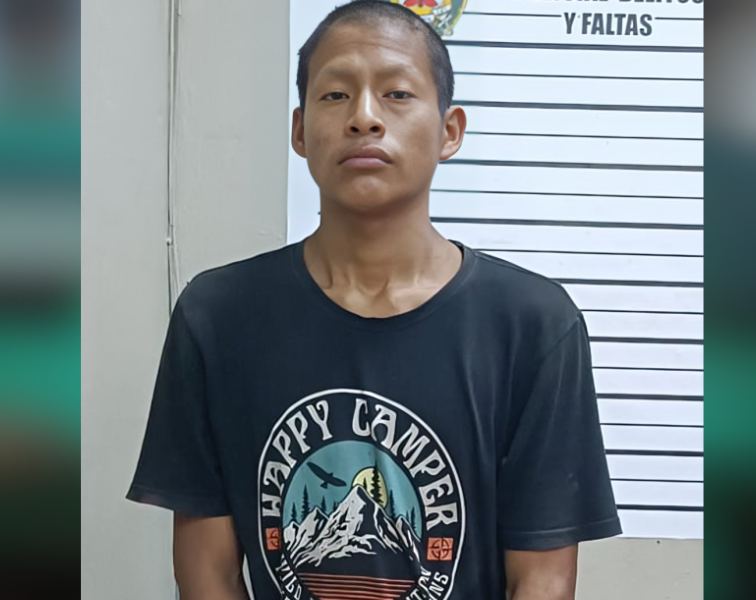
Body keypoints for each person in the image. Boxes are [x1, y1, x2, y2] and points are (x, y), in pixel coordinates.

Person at [126, 2, 621, 598]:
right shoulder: (217, 316)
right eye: (336, 95)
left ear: (449, 131)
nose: (364, 117)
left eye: (397, 94)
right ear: (300, 131)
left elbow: (542, 578)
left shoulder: (532, 324)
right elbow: (207, 572)